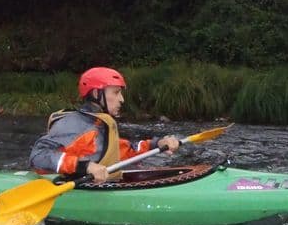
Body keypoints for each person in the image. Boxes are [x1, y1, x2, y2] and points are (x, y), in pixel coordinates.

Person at [29, 67, 180, 183]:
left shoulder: (99, 124)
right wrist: (86, 166)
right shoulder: (75, 122)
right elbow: (39, 154)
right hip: (57, 185)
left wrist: (157, 144)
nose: (122, 99)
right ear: (96, 94)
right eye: (116, 92)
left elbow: (121, 151)